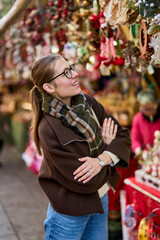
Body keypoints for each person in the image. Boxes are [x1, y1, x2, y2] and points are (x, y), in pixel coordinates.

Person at [30, 53, 131, 240]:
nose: (75, 74)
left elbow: (123, 136)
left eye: (72, 68)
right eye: (66, 73)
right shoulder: (49, 129)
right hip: (70, 213)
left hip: (101, 200)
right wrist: (108, 147)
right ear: (49, 87)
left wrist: (101, 160)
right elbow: (85, 181)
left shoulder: (88, 103)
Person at [131, 88, 160, 156]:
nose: (147, 112)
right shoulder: (137, 118)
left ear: (157, 104)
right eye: (144, 110)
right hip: (146, 154)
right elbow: (134, 139)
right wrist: (139, 150)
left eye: (150, 109)